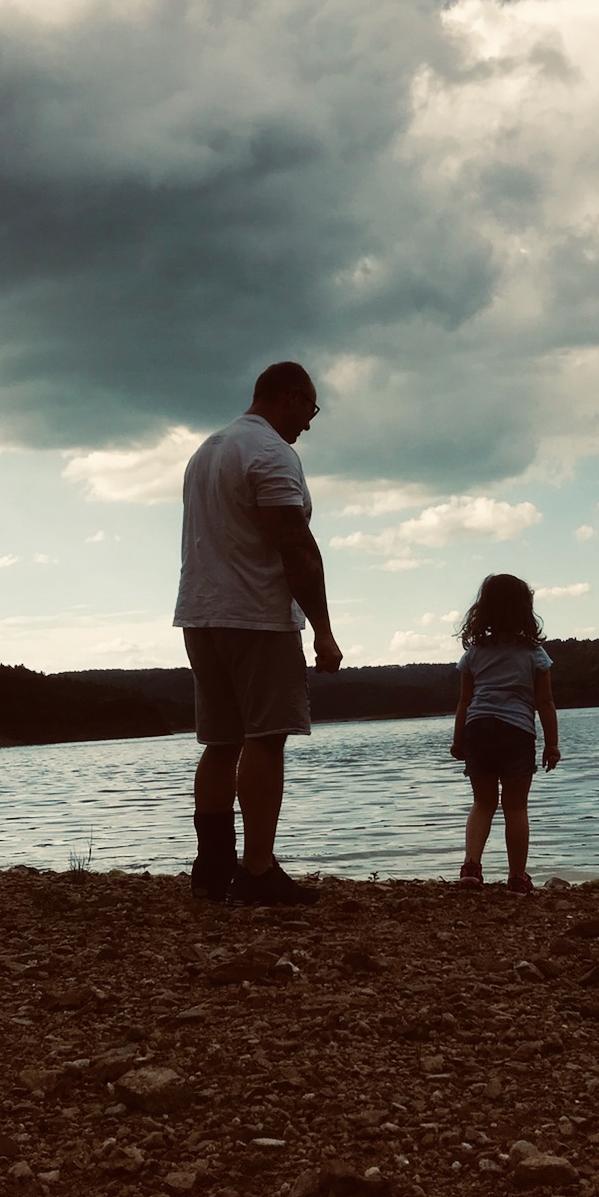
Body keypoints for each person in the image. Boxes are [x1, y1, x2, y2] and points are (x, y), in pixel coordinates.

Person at [173, 361, 342, 907]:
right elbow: (295, 545)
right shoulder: (270, 453)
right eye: (310, 409)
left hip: (201, 615)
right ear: (290, 397)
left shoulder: (207, 451)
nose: (309, 424)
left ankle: (212, 870)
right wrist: (323, 630)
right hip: (257, 617)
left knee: (220, 743)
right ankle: (258, 872)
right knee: (265, 739)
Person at [449, 573, 560, 895]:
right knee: (515, 806)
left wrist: (459, 740)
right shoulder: (534, 654)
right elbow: (545, 702)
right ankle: (517, 877)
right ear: (526, 609)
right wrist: (552, 744)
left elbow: (465, 702)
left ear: (482, 611)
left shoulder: (474, 654)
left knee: (482, 803)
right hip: (516, 731)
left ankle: (471, 866)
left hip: (479, 728)